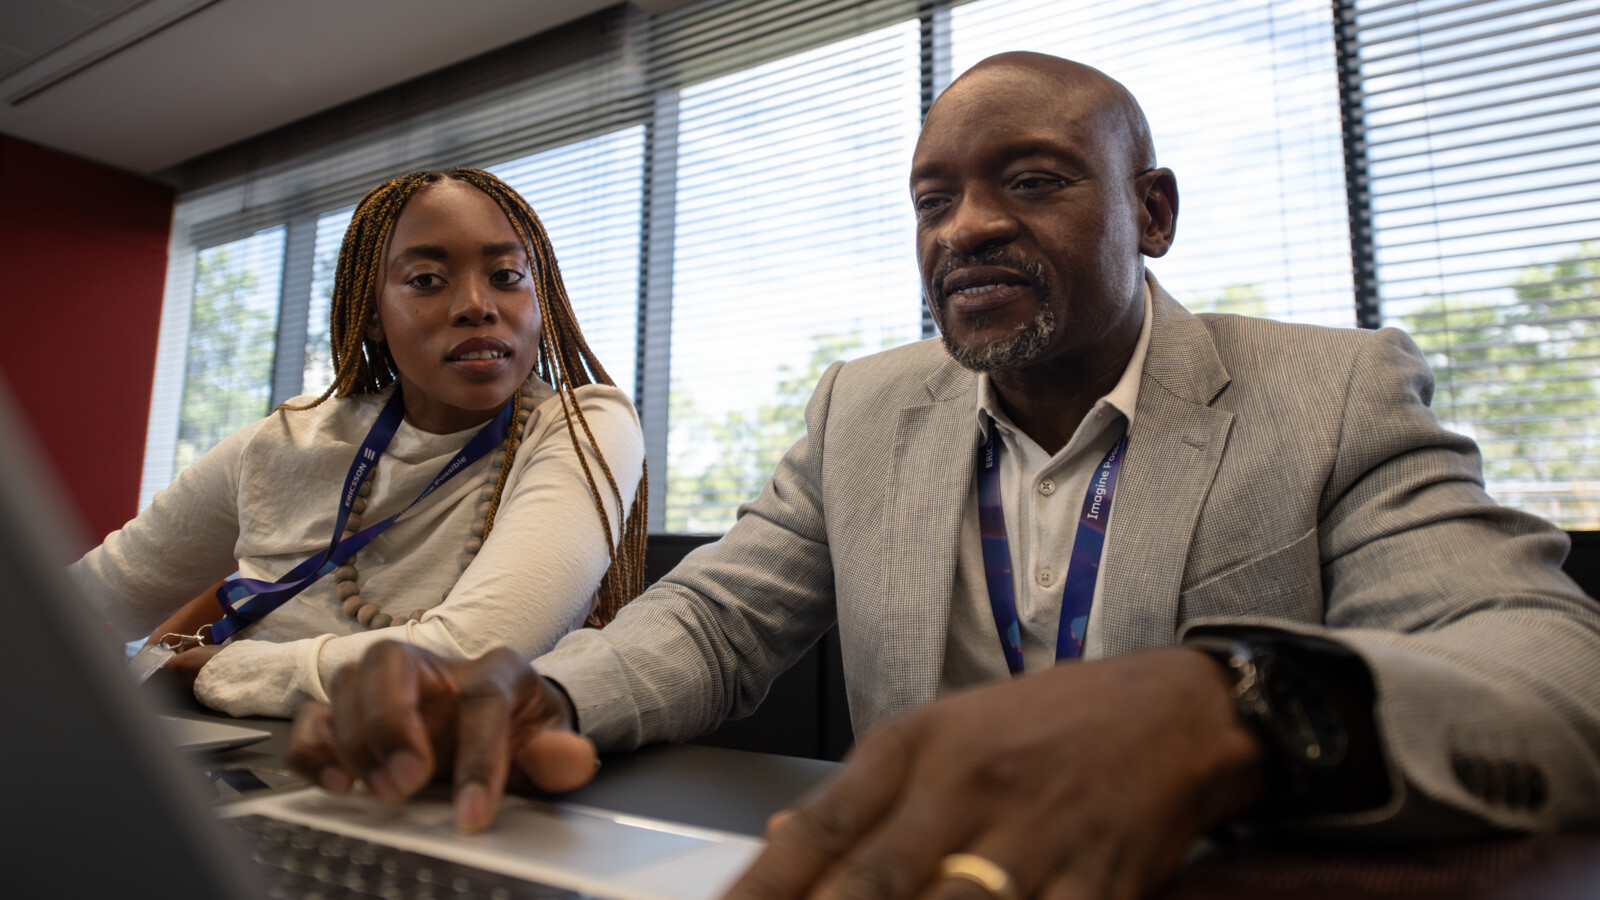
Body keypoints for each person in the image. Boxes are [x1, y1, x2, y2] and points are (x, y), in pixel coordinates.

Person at [286, 54, 1600, 899]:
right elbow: (717, 618)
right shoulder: (866, 406)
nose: (967, 225)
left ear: (1151, 213)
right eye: (934, 199)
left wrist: (1237, 706)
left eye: (1029, 181)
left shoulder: (1334, 389)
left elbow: (1551, 672)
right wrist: (538, 687)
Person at [70, 168, 648, 719]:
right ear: (373, 314)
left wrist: (212, 671)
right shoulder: (287, 440)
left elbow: (475, 657)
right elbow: (78, 602)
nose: (477, 304)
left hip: (443, 789)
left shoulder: (584, 423)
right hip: (229, 767)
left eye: (506, 277)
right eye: (426, 280)